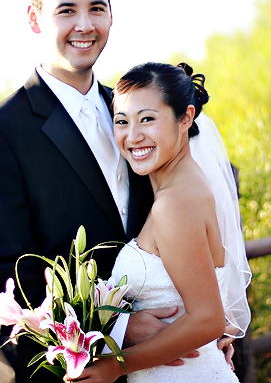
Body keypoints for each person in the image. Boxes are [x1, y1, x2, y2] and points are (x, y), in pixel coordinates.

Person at [0, 0, 160, 383]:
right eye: (66, 10)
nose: (84, 25)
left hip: (150, 364)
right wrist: (118, 331)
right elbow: (5, 272)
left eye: (97, 8)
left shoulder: (136, 113)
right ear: (35, 19)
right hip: (52, 373)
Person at [67, 62, 252, 382]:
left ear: (186, 117)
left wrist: (115, 366)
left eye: (148, 119)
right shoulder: (188, 186)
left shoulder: (174, 204)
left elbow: (208, 320)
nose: (133, 135)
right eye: (122, 121)